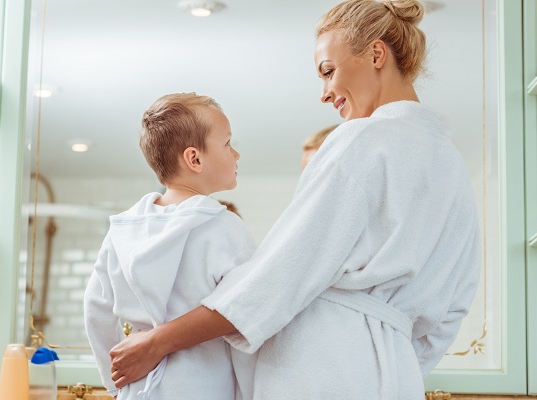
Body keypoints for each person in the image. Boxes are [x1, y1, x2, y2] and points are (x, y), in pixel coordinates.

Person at [109, 1, 482, 398]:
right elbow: (452, 311)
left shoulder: (362, 141)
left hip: (321, 370)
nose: (324, 93)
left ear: (376, 54)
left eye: (328, 71)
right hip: (396, 377)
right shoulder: (452, 166)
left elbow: (279, 275)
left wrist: (158, 341)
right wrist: (392, 362)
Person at [84, 93, 257, 400]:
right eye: (228, 144)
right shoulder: (225, 227)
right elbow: (249, 310)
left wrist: (115, 382)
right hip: (205, 387)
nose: (237, 154)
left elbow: (95, 308)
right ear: (195, 159)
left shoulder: (123, 231)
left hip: (139, 386)